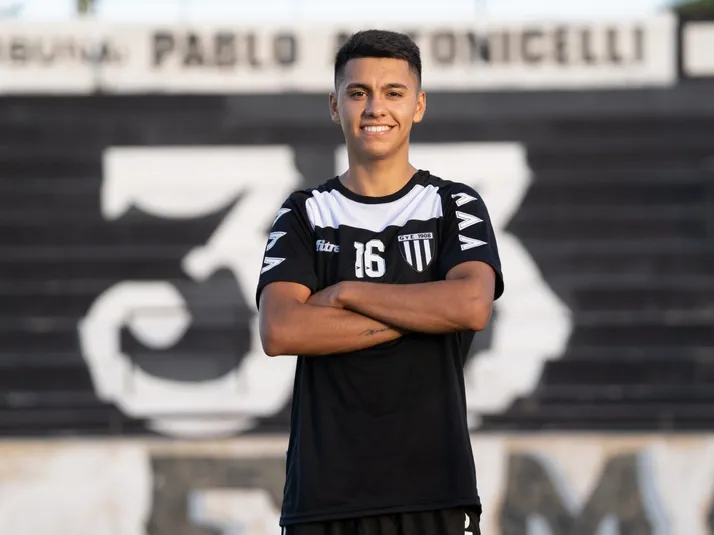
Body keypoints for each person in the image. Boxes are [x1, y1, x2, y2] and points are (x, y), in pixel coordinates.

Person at [256, 29, 504, 535]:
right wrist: (425, 313)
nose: (376, 108)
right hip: (324, 498)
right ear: (335, 106)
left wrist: (346, 293)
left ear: (418, 105)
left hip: (435, 490)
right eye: (358, 92)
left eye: (394, 92)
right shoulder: (304, 213)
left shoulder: (453, 205)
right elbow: (281, 330)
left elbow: (471, 304)